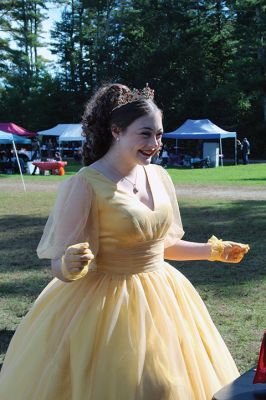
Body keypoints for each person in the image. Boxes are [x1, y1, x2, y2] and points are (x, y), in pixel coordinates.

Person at [0, 83, 250, 400]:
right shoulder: (86, 183)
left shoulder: (160, 177)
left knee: (170, 384)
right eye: (145, 134)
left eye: (159, 135)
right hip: (104, 305)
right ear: (116, 131)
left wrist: (213, 251)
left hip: (165, 297)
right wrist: (68, 263)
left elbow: (160, 246)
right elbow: (60, 266)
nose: (154, 144)